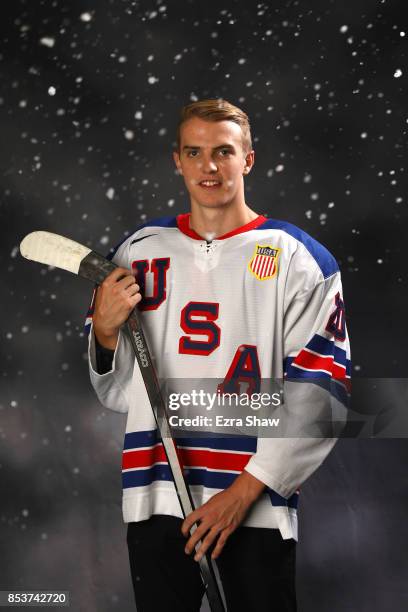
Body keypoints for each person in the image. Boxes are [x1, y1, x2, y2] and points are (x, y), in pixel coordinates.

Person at [85, 98, 351, 612]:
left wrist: (245, 490)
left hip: (254, 502)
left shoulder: (299, 258)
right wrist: (105, 333)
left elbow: (323, 392)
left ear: (248, 159)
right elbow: (117, 391)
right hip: (155, 492)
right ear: (177, 160)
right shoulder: (138, 251)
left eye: (223, 152)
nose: (209, 166)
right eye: (195, 152)